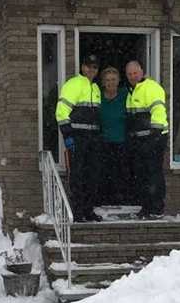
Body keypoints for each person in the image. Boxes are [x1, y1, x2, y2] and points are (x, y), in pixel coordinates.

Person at [55, 54, 102, 222]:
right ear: (83, 67)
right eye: (89, 66)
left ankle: (89, 210)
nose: (91, 70)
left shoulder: (96, 88)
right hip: (78, 137)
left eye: (95, 67)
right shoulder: (73, 84)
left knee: (93, 175)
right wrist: (68, 135)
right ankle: (78, 211)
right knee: (77, 175)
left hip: (93, 138)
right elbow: (61, 111)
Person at [125, 60, 169, 219]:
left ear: (142, 71)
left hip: (154, 138)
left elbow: (158, 110)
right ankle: (146, 207)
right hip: (140, 140)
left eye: (135, 73)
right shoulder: (133, 91)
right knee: (142, 174)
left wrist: (155, 135)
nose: (132, 76)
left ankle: (157, 208)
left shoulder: (151, 87)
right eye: (129, 74)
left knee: (153, 173)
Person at [98, 66, 132, 205]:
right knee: (103, 173)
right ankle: (105, 201)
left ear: (118, 81)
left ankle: (121, 201)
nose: (110, 82)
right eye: (107, 80)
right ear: (103, 82)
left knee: (121, 174)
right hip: (103, 142)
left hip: (122, 141)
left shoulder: (125, 94)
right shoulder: (97, 95)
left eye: (113, 79)